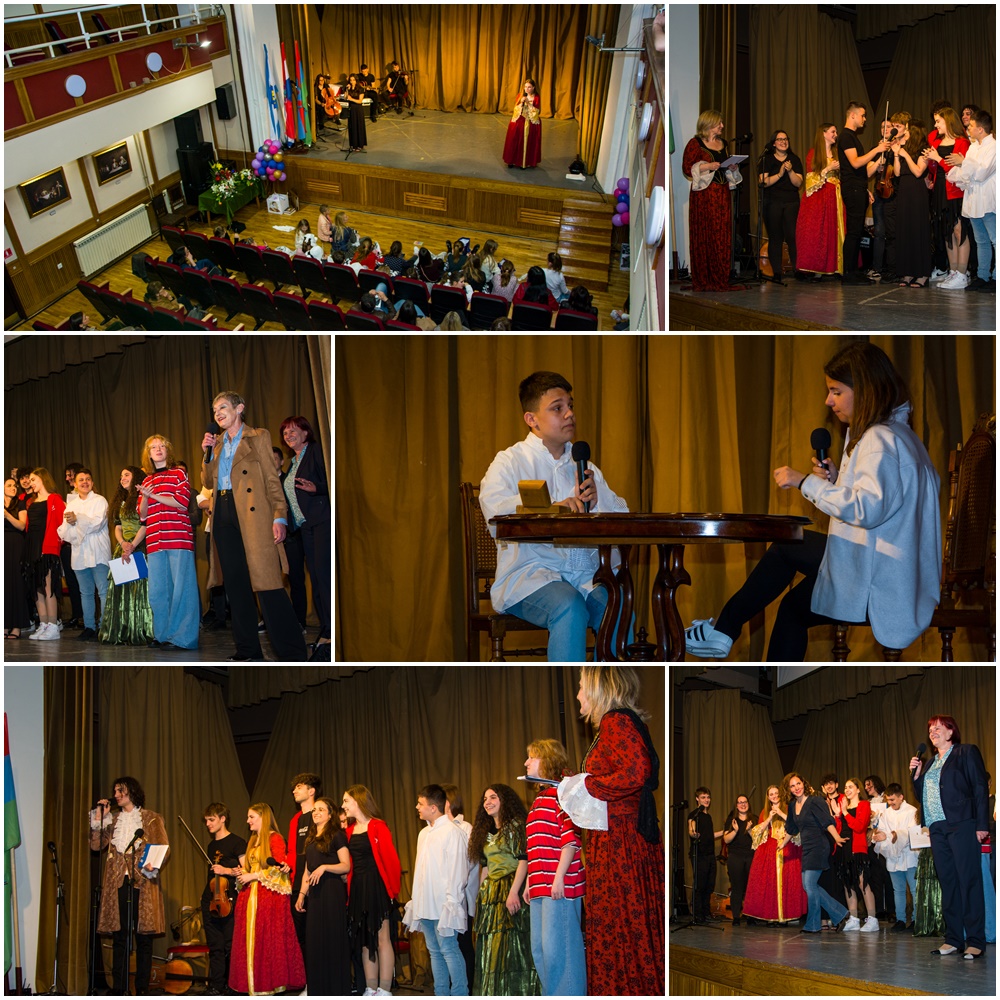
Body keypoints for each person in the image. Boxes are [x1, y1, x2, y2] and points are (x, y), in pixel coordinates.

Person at [685, 341, 941, 661]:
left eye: (836, 391)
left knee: (787, 545)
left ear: (865, 390)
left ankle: (724, 630)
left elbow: (867, 510)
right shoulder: (903, 436)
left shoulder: (879, 439)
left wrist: (805, 482)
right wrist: (836, 482)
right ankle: (731, 638)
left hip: (881, 577)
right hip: (896, 571)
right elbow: (887, 506)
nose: (828, 401)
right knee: (794, 609)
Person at [479, 371, 630, 662]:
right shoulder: (510, 461)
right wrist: (552, 507)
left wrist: (599, 498)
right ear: (531, 419)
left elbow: (621, 519)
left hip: (584, 577)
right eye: (557, 408)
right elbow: (496, 513)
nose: (569, 414)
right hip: (529, 576)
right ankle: (573, 686)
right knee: (569, 606)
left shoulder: (585, 466)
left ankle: (609, 688)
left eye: (570, 405)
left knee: (619, 607)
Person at [558, 666, 664, 995]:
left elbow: (636, 772)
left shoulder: (614, 721)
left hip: (620, 842)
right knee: (624, 924)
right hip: (618, 836)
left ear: (597, 688)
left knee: (621, 923)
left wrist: (587, 785)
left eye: (581, 686)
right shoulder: (619, 722)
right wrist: (581, 782)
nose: (578, 694)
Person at [201, 391, 307, 662]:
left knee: (267, 581)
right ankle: (248, 650)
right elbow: (208, 482)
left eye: (223, 407)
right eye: (215, 410)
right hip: (223, 513)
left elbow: (272, 479)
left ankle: (292, 653)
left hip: (252, 514)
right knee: (236, 586)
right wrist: (206, 455)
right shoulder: (216, 444)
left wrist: (279, 515)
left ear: (239, 408)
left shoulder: (258, 436)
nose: (218, 414)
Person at [910, 715, 988, 959]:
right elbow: (922, 795)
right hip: (937, 829)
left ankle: (975, 940)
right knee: (948, 883)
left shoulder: (965, 752)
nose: (932, 732)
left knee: (969, 881)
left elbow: (979, 787)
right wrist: (917, 776)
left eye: (938, 728)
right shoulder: (930, 763)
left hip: (962, 824)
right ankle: (954, 938)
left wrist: (982, 824)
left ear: (951, 731)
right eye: (930, 730)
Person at [89, 777, 168, 996]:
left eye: (120, 791)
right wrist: (99, 819)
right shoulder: (112, 820)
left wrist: (153, 863)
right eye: (114, 791)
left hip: (143, 882)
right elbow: (96, 845)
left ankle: (142, 988)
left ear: (131, 792)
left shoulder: (151, 818)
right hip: (118, 883)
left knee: (143, 938)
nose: (115, 795)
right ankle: (119, 987)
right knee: (120, 936)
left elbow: (163, 846)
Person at [523, 740, 585, 996]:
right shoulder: (540, 799)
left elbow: (571, 840)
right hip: (540, 887)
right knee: (541, 951)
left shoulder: (562, 794)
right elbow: (536, 846)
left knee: (560, 952)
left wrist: (558, 878)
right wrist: (530, 882)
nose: (526, 762)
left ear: (547, 760)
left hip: (559, 887)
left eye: (532, 757)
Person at [467, 784, 537, 995]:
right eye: (485, 799)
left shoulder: (516, 826)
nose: (487, 802)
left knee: (513, 946)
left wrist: (514, 892)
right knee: (492, 947)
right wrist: (480, 898)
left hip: (511, 887)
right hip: (491, 894)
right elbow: (486, 867)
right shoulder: (485, 833)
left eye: (493, 797)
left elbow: (523, 860)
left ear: (504, 800)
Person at [403, 784, 470, 996]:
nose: (417, 807)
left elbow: (458, 871)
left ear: (433, 807)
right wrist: (417, 900)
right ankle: (441, 993)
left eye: (420, 803)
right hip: (426, 904)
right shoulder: (424, 833)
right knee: (434, 951)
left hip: (443, 905)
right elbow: (421, 871)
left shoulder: (453, 832)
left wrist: (451, 903)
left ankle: (460, 993)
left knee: (449, 950)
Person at [137, 435, 199, 650]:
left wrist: (153, 495)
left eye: (162, 446)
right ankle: (161, 634)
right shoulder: (147, 481)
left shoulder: (178, 474)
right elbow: (142, 516)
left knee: (182, 589)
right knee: (158, 591)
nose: (158, 449)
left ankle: (182, 638)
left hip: (178, 538)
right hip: (155, 541)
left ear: (168, 450)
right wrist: (146, 497)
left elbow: (181, 502)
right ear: (148, 454)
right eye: (153, 447)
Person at [342, 784, 402, 997]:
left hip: (377, 886)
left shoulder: (378, 826)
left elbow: (391, 861)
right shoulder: (348, 831)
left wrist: (392, 892)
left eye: (346, 801)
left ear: (358, 801)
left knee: (382, 938)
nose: (343, 805)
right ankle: (371, 988)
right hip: (358, 888)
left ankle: (385, 990)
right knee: (365, 940)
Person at [279, 415, 330, 661]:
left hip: (322, 521)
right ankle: (326, 628)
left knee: (324, 577)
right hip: (305, 527)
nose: (288, 435)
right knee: (317, 580)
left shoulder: (316, 452)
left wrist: (316, 488)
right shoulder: (294, 462)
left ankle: (330, 633)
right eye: (285, 433)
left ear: (306, 432)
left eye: (293, 430)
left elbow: (331, 481)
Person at [295, 797, 352, 996]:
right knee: (315, 941)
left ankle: (336, 990)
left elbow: (346, 866)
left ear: (330, 814)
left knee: (332, 939)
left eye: (321, 809)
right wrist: (301, 894)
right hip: (315, 895)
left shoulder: (337, 835)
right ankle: (317, 990)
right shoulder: (310, 838)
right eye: (314, 810)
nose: (316, 812)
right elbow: (307, 870)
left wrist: (325, 867)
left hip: (332, 891)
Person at [782, 773, 851, 934]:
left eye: (798, 783)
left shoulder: (815, 801)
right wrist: (782, 844)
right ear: (789, 789)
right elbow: (791, 828)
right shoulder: (792, 806)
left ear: (804, 783)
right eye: (792, 786)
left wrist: (837, 837)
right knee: (808, 885)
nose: (796, 788)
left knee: (810, 885)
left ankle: (814, 924)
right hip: (807, 848)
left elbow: (827, 822)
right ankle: (840, 913)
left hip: (819, 846)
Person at [682, 110, 742, 291]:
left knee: (721, 234)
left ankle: (720, 277)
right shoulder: (695, 144)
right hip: (704, 196)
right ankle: (704, 278)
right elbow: (687, 168)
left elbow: (725, 168)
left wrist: (732, 167)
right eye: (719, 123)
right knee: (705, 233)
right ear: (708, 124)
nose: (722, 126)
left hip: (722, 195)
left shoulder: (723, 144)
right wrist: (707, 166)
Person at [838, 101, 891, 283]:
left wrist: (875, 166)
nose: (865, 119)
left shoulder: (852, 137)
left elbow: (863, 172)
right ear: (852, 115)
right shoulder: (846, 136)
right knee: (854, 232)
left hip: (857, 187)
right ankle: (849, 273)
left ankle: (853, 271)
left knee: (857, 231)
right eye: (862, 115)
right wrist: (877, 149)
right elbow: (855, 163)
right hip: (852, 188)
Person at [56, 468, 111, 641]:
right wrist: (74, 523)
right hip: (79, 553)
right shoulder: (71, 505)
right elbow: (65, 531)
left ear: (92, 483)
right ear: (75, 484)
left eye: (88, 479)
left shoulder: (100, 500)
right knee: (85, 592)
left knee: (103, 591)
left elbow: (97, 524)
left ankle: (104, 627)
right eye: (81, 480)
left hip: (98, 551)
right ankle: (89, 627)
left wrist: (77, 519)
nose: (85, 482)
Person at [742, 782, 808, 924]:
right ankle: (771, 917)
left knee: (788, 882)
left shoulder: (788, 808)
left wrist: (780, 813)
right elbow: (757, 832)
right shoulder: (765, 811)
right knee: (770, 883)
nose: (774, 796)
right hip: (770, 849)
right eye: (771, 794)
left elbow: (796, 825)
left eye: (776, 793)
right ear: (768, 797)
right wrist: (769, 818)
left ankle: (785, 916)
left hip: (787, 845)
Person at [947, 109, 996, 293]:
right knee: (981, 241)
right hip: (973, 200)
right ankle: (983, 276)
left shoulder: (994, 147)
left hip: (988, 200)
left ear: (981, 129)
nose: (968, 128)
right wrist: (962, 168)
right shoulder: (973, 147)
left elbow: (982, 173)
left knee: (995, 240)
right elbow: (966, 175)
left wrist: (963, 163)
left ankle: (996, 277)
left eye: (972, 125)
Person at [924, 107, 972, 289]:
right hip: (939, 190)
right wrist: (930, 162)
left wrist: (938, 158)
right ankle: (953, 271)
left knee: (959, 231)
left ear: (948, 121)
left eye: (938, 121)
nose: (935, 125)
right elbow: (936, 168)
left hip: (955, 191)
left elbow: (959, 170)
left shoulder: (962, 142)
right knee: (947, 232)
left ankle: (962, 273)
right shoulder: (937, 142)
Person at [201, 803, 247, 995]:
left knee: (230, 945)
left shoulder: (238, 842)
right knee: (215, 946)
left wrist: (226, 870)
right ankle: (216, 985)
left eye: (211, 820)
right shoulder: (211, 846)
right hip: (211, 899)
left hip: (230, 900)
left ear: (223, 819)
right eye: (206, 821)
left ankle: (232, 985)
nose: (208, 824)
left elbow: (246, 870)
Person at [796, 123, 845, 277]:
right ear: (823, 133)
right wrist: (828, 168)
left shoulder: (837, 153)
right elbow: (810, 177)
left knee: (835, 230)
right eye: (832, 131)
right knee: (820, 231)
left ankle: (836, 267)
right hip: (820, 196)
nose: (835, 134)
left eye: (836, 132)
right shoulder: (814, 153)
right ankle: (818, 268)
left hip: (835, 195)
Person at [889, 121, 933, 287]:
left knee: (917, 230)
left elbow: (918, 172)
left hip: (917, 193)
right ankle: (907, 271)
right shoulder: (904, 150)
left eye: (907, 130)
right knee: (905, 230)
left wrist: (905, 154)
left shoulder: (924, 150)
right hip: (904, 191)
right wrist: (896, 154)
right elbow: (897, 173)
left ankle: (922, 274)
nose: (904, 132)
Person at [24, 469, 66, 642]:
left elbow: (62, 525)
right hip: (32, 546)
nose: (31, 483)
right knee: (37, 588)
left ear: (43, 479)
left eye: (33, 479)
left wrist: (51, 545)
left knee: (48, 587)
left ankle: (53, 625)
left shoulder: (55, 499)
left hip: (47, 547)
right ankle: (43, 624)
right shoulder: (31, 501)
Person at [873, 782, 920, 931]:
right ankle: (900, 920)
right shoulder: (886, 814)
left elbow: (913, 832)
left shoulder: (911, 811)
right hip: (893, 856)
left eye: (892, 800)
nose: (890, 803)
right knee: (898, 890)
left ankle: (916, 920)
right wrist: (880, 835)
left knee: (914, 890)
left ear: (901, 797)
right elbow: (882, 830)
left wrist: (895, 835)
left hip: (909, 856)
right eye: (888, 800)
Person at [758, 129, 803, 282]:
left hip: (791, 202)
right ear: (773, 143)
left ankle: (797, 269)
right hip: (772, 203)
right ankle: (777, 272)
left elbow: (798, 183)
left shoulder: (794, 159)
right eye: (780, 139)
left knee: (792, 236)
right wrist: (780, 173)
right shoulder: (766, 160)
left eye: (785, 139)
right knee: (775, 237)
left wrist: (790, 171)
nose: (783, 142)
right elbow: (763, 182)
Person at [286, 772, 322, 957]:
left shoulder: (321, 815)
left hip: (317, 883)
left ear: (311, 791)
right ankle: (306, 974)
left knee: (318, 934)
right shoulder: (295, 820)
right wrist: (287, 866)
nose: (294, 790)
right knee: (300, 935)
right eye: (294, 788)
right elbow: (292, 852)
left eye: (299, 787)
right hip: (298, 883)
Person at [840, 778, 879, 931]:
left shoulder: (864, 805)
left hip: (858, 850)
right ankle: (854, 918)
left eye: (850, 787)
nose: (847, 790)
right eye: (845, 787)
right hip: (845, 850)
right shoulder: (844, 807)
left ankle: (872, 919)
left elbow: (859, 826)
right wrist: (838, 813)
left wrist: (845, 812)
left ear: (858, 789)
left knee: (863, 883)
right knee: (848, 885)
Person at [686, 788, 721, 922]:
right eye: (703, 797)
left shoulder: (708, 817)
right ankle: (698, 914)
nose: (706, 800)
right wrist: (693, 834)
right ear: (697, 799)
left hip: (710, 855)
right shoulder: (694, 815)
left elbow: (709, 836)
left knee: (709, 885)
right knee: (700, 885)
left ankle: (706, 913)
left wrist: (725, 831)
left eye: (708, 797)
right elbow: (691, 830)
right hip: (699, 855)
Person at [722, 793, 755, 925]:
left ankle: (750, 916)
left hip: (751, 856)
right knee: (736, 887)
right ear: (736, 806)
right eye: (740, 802)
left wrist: (750, 830)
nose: (742, 804)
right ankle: (736, 916)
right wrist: (735, 831)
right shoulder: (732, 820)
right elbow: (726, 840)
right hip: (735, 857)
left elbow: (758, 840)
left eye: (745, 802)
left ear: (748, 804)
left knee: (750, 887)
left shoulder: (754, 819)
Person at [3, 477, 28, 640]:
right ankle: (5, 625)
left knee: (17, 582)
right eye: (9, 485)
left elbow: (22, 525)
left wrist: (6, 515)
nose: (13, 488)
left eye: (14, 485)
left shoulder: (20, 504)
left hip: (16, 543)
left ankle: (17, 626)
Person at [502, 79, 542, 169]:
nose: (527, 89)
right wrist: (521, 103)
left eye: (529, 87)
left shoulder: (536, 97)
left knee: (527, 141)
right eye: (525, 87)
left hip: (530, 122)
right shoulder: (520, 95)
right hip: (519, 121)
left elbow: (536, 111)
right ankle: (512, 160)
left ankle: (525, 162)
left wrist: (528, 103)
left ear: (533, 88)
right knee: (514, 139)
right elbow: (515, 109)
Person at [345, 74, 369, 153]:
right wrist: (347, 90)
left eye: (353, 80)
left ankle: (360, 145)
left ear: (356, 80)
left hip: (358, 109)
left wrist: (351, 99)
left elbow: (360, 101)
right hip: (351, 109)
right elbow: (345, 97)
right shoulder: (349, 88)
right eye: (351, 80)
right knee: (352, 127)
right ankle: (354, 144)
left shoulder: (360, 89)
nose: (352, 82)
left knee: (359, 126)